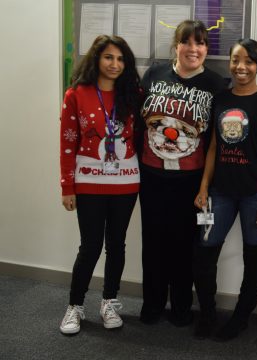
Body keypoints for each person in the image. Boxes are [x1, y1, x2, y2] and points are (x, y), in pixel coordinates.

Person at [192, 38, 257, 341]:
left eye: (248, 61)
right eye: (235, 60)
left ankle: (241, 317)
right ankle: (207, 314)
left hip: (255, 193)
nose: (240, 67)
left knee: (254, 256)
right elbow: (214, 146)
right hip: (220, 191)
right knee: (204, 254)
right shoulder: (220, 98)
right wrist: (204, 187)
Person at [138, 20, 226, 327]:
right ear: (176, 46)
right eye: (187, 42)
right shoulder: (154, 74)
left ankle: (180, 306)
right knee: (153, 242)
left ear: (206, 49)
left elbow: (218, 138)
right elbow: (134, 116)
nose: (193, 49)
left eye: (200, 43)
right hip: (151, 175)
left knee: (184, 245)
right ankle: (152, 303)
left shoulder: (216, 84)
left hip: (191, 180)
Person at [59, 35, 141, 335]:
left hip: (126, 181)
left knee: (116, 245)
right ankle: (75, 306)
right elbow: (68, 142)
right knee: (90, 246)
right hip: (89, 182)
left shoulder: (133, 93)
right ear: (96, 59)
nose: (115, 64)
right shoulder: (76, 94)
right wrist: (67, 185)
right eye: (109, 57)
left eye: (120, 59)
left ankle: (109, 301)